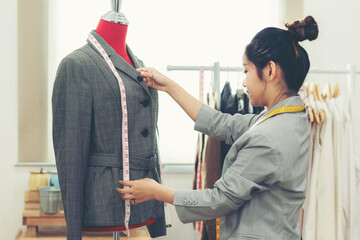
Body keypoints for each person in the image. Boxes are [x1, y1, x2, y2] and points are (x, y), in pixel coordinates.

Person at [116, 16, 318, 239]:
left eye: (246, 71)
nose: (243, 82)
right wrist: (169, 87)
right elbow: (223, 124)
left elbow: (219, 200)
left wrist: (157, 192)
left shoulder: (269, 137)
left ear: (269, 71)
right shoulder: (290, 118)